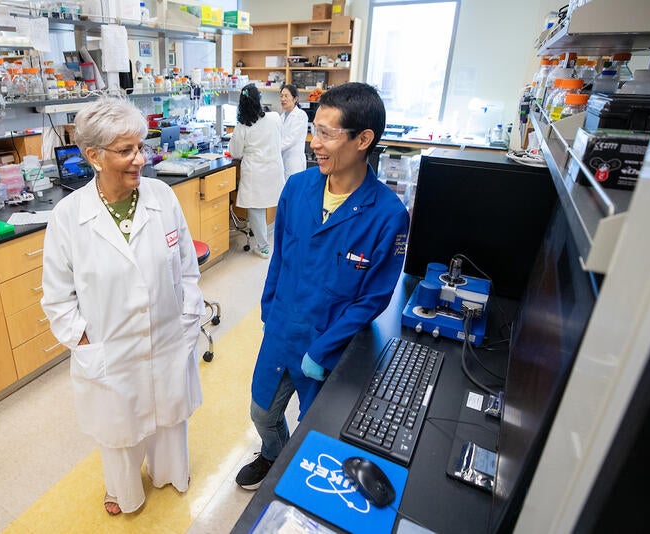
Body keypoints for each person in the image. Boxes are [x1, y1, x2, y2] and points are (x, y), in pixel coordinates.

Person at [235, 82, 410, 490]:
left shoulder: (388, 216)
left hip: (328, 344)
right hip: (282, 328)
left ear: (363, 140)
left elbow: (373, 298)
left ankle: (293, 469)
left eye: (327, 134)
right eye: (315, 130)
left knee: (314, 429)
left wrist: (322, 349)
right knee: (262, 412)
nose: (315, 143)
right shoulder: (297, 188)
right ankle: (274, 454)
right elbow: (280, 257)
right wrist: (269, 310)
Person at [40, 98, 205, 515]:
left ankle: (170, 472)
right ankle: (124, 490)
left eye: (141, 147)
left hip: (168, 336)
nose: (140, 159)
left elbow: (187, 266)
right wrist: (85, 342)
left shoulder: (161, 196)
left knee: (170, 417)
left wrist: (188, 317)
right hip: (109, 348)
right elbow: (57, 297)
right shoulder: (68, 217)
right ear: (94, 156)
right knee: (118, 428)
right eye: (126, 151)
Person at [228, 83, 285, 259]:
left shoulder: (242, 126)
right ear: (259, 100)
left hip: (255, 172)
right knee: (278, 204)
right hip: (273, 169)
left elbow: (235, 152)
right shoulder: (275, 117)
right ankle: (283, 242)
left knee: (256, 210)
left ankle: (264, 247)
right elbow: (279, 137)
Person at [279, 84, 308, 181]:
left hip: (294, 163)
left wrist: (275, 148)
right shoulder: (282, 116)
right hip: (283, 161)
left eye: (286, 96)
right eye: (281, 96)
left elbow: (291, 139)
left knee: (295, 186)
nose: (283, 99)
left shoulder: (300, 115)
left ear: (295, 99)